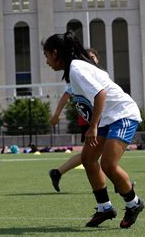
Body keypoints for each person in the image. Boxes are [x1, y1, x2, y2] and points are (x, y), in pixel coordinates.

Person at [43, 31, 144, 229]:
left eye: (46, 55)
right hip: (108, 118)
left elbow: (100, 94)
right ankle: (104, 207)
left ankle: (134, 204)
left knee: (108, 164)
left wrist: (93, 126)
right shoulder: (74, 70)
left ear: (55, 53)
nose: (46, 61)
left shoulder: (76, 69)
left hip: (122, 115)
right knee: (88, 159)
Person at [48, 48, 98, 191]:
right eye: (89, 57)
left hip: (101, 119)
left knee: (91, 155)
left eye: (93, 57)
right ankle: (119, 184)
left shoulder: (98, 74)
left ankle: (57, 173)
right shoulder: (80, 76)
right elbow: (66, 95)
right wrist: (56, 115)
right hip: (90, 121)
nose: (92, 60)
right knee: (98, 153)